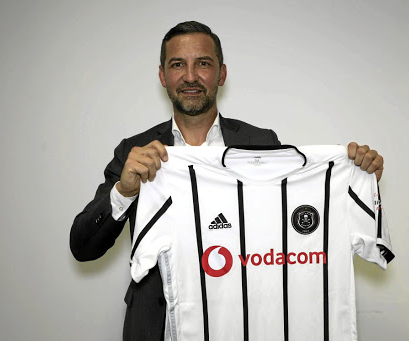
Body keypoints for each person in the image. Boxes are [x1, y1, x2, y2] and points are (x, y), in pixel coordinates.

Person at [70, 21, 385, 341]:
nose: (190, 76)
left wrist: (355, 175)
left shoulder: (262, 143)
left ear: (221, 74)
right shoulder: (135, 153)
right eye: (178, 64)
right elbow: (82, 247)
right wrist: (123, 192)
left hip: (249, 322)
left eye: (202, 64)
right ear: (163, 75)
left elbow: (291, 225)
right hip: (159, 327)